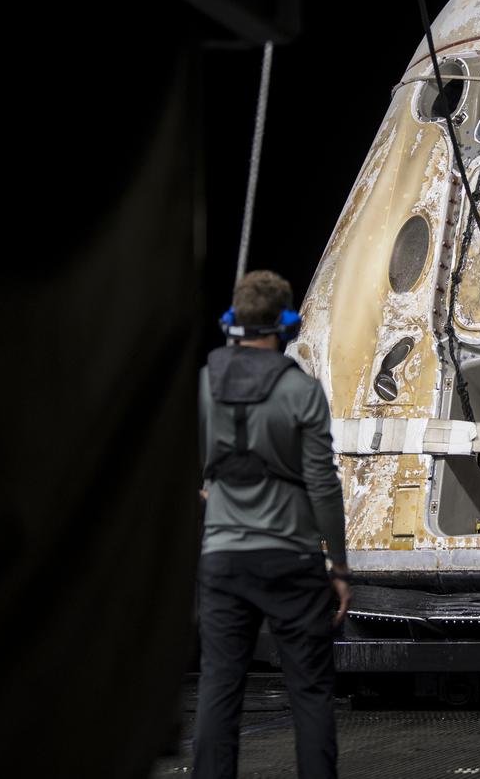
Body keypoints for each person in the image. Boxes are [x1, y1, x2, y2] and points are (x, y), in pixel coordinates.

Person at [193, 270, 352, 779]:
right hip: (292, 560)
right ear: (286, 324)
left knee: (219, 687)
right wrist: (338, 564)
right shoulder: (301, 391)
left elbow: (199, 466)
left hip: (222, 560)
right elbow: (322, 485)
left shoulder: (203, 383)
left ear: (232, 321)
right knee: (309, 690)